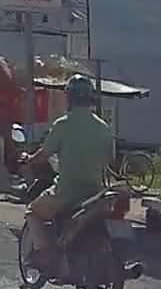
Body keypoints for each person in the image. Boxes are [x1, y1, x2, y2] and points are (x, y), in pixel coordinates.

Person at [23, 74, 113, 273]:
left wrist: (29, 160)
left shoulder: (63, 124)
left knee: (33, 212)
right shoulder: (104, 127)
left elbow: (43, 155)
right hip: (94, 193)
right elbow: (110, 160)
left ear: (69, 98)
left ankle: (44, 255)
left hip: (66, 192)